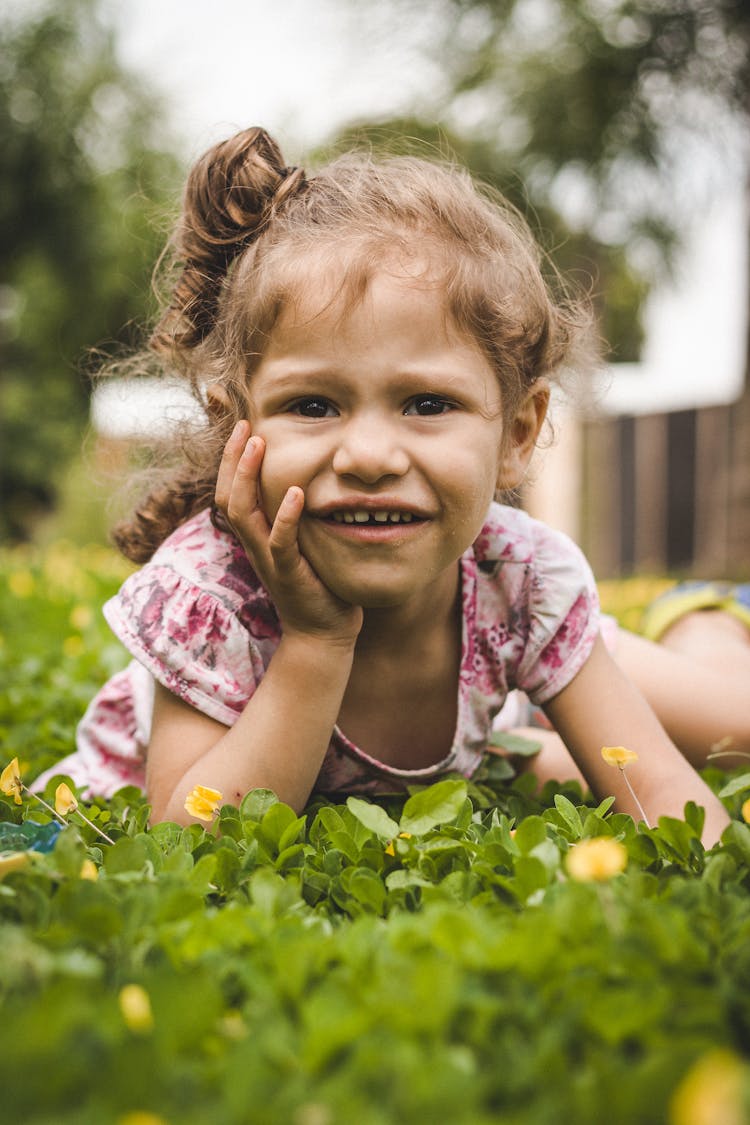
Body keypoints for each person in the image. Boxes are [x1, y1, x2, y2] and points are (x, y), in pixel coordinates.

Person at [34, 126, 746, 844]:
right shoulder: (211, 595)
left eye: (428, 404)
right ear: (234, 432)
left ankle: (702, 622)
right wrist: (316, 642)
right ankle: (531, 739)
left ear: (518, 433)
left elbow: (656, 785)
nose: (370, 455)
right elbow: (185, 842)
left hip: (467, 743)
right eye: (312, 405)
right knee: (534, 773)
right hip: (412, 763)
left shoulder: (521, 576)